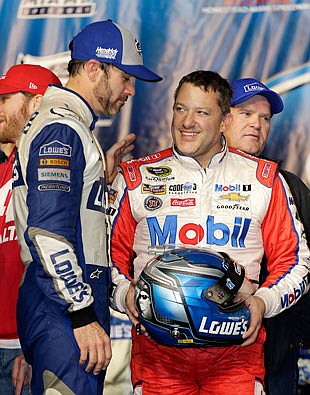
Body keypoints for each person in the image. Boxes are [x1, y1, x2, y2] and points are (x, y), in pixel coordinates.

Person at [109, 70, 309, 395]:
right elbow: (105, 258)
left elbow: (296, 261)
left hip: (237, 354)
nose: (187, 121)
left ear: (224, 120)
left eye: (201, 112)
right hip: (159, 355)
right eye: (180, 109)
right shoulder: (135, 178)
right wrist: (124, 294)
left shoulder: (264, 179)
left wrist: (263, 303)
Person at [12, 20, 162, 395]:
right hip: (64, 310)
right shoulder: (61, 129)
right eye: (125, 78)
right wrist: (80, 313)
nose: (130, 90)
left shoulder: (71, 126)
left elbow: (69, 217)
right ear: (94, 68)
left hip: (63, 304)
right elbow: (47, 232)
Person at [224, 77, 310, 395]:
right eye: (246, 113)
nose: (257, 124)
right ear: (221, 118)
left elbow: (307, 264)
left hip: (272, 358)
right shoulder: (185, 180)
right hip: (197, 357)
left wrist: (290, 334)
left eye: (264, 118)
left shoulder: (287, 186)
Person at [0, 64, 62, 395]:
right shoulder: (7, 168)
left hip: (23, 348)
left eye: (6, 98)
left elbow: (50, 261)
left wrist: (32, 340)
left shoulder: (58, 167)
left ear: (36, 103)